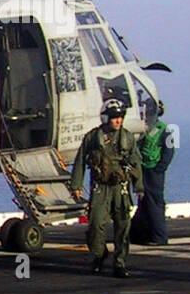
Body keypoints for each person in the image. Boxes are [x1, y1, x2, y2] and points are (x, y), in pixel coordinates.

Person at [69, 98, 143, 277]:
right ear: (106, 118)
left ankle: (120, 262)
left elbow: (135, 163)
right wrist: (76, 184)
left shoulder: (127, 138)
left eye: (120, 117)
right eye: (114, 117)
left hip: (121, 188)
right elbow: (80, 160)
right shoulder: (93, 137)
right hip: (100, 188)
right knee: (95, 224)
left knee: (123, 227)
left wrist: (139, 187)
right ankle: (98, 255)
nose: (118, 120)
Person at [131, 99, 175, 245]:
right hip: (143, 169)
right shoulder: (145, 128)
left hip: (153, 171)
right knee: (144, 202)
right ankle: (138, 234)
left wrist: (159, 168)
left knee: (154, 203)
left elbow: (169, 151)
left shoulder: (165, 129)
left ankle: (159, 236)